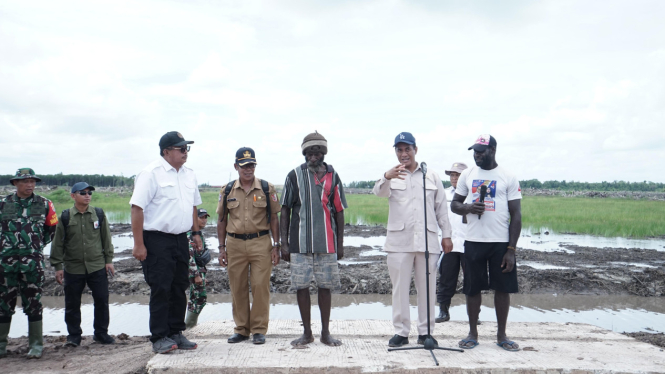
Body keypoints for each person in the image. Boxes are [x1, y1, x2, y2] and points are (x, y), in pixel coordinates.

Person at [372, 132, 453, 348]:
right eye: (399, 150)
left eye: (407, 149)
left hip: (427, 241)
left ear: (415, 150)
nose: (403, 153)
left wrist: (446, 235)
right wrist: (387, 176)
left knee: (427, 288)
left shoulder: (431, 176)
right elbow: (378, 193)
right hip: (399, 242)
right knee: (400, 289)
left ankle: (426, 332)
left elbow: (441, 208)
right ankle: (401, 332)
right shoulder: (391, 175)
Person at [130, 131, 202, 354]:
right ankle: (159, 336)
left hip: (181, 239)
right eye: (181, 148)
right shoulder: (151, 173)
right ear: (166, 151)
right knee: (161, 288)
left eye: (186, 148)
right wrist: (139, 244)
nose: (185, 152)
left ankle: (175, 332)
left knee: (180, 286)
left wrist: (196, 233)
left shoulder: (189, 174)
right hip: (157, 239)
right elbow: (137, 208)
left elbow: (193, 207)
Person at [451, 134, 522, 352]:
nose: (477, 155)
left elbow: (516, 214)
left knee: (503, 289)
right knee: (472, 288)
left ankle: (502, 335)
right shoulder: (467, 174)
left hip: (500, 243)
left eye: (481, 151)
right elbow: (455, 204)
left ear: (493, 150)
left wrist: (511, 249)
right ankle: (472, 333)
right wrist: (469, 208)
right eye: (475, 151)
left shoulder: (508, 177)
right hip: (473, 241)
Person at [280, 131, 347, 347]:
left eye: (318, 150)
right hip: (299, 244)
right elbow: (284, 210)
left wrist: (340, 244)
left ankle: (325, 333)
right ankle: (307, 333)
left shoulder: (333, 175)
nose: (314, 154)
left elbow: (339, 211)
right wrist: (284, 243)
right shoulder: (293, 176)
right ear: (304, 152)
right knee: (301, 287)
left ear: (324, 152)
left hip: (327, 243)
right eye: (310, 150)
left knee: (325, 287)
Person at [217, 147, 281, 345]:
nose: (248, 169)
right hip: (234, 244)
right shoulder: (227, 190)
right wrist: (221, 248)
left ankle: (259, 330)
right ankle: (241, 329)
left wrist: (276, 245)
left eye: (251, 165)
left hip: (261, 243)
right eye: (244, 166)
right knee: (238, 287)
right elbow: (221, 220)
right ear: (236, 166)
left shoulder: (266, 188)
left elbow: (274, 218)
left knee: (260, 286)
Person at [0, 168, 58, 359]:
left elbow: (51, 229)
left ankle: (35, 345)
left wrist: (36, 246)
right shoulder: (3, 203)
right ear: (15, 183)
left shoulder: (44, 204)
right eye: (25, 181)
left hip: (32, 264)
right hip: (5, 264)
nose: (30, 185)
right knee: (3, 304)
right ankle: (1, 345)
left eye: (33, 181)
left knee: (33, 303)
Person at [50, 182, 115, 347]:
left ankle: (101, 333)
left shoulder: (98, 214)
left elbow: (106, 238)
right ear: (73, 196)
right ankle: (74, 336)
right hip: (73, 267)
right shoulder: (65, 217)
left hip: (97, 265)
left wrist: (109, 260)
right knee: (72, 303)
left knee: (101, 300)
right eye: (83, 193)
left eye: (89, 193)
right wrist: (58, 266)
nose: (87, 195)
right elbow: (57, 244)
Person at [435, 162, 469, 323]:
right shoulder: (444, 194)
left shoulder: (473, 195)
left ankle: (473, 314)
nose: (454, 178)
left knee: (472, 279)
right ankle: (443, 311)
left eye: (458, 175)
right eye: (452, 175)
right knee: (446, 278)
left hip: (469, 243)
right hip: (449, 242)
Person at [185, 208, 210, 329]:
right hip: (193, 273)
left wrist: (203, 275)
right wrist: (196, 275)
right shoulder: (190, 235)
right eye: (201, 217)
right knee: (199, 298)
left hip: (199, 271)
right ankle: (188, 326)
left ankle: (189, 325)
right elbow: (189, 256)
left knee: (197, 298)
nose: (204, 220)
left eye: (205, 217)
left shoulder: (199, 234)